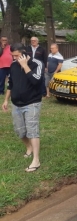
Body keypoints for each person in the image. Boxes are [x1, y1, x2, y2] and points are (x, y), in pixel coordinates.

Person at [2, 43, 44, 172]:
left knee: (32, 130)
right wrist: (6, 100)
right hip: (16, 104)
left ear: (24, 52)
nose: (14, 58)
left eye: (17, 55)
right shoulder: (13, 65)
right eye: (12, 56)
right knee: (19, 131)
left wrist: (25, 66)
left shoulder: (37, 63)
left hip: (32, 103)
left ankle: (36, 161)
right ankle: (29, 147)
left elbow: (36, 81)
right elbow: (11, 84)